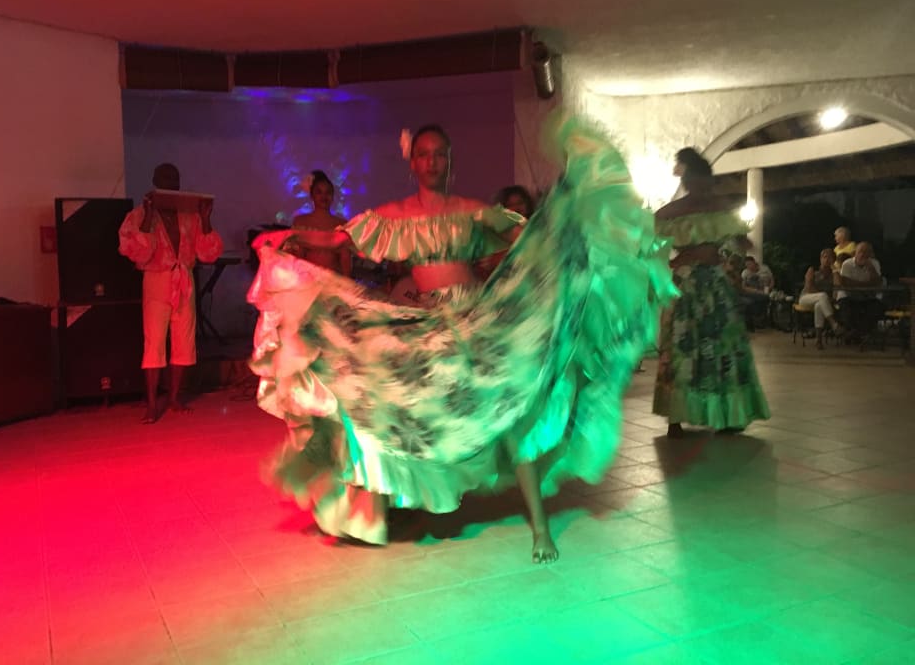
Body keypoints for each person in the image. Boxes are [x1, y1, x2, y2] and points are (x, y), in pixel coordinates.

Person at [248, 119, 676, 563]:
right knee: (383, 392)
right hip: (426, 323)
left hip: (476, 320)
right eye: (424, 155)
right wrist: (289, 236)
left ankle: (540, 526)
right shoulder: (394, 216)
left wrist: (568, 217)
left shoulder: (473, 211)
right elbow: (337, 239)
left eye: (440, 155)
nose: (432, 162)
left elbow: (533, 240)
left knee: (511, 409)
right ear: (413, 163)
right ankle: (399, 501)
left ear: (450, 163)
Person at [652, 148, 770, 438]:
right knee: (683, 346)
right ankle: (676, 416)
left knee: (722, 346)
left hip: (715, 285)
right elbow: (649, 242)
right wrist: (677, 260)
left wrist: (731, 249)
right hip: (687, 284)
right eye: (695, 182)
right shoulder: (671, 212)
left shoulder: (720, 208)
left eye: (705, 183)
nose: (700, 188)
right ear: (688, 181)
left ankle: (724, 414)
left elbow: (744, 243)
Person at [118, 163, 223, 423]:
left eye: (174, 178)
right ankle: (152, 403)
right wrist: (148, 218)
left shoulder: (190, 215)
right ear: (155, 180)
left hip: (184, 280)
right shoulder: (139, 215)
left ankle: (174, 397)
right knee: (154, 342)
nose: (170, 182)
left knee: (183, 341)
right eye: (165, 178)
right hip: (157, 280)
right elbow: (136, 252)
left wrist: (206, 218)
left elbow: (208, 253)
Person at [289, 170, 352, 277]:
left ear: (332, 196)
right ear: (312, 195)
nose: (324, 196)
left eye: (328, 192)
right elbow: (296, 258)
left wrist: (347, 283)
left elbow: (345, 259)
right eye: (319, 192)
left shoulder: (342, 224)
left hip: (333, 281)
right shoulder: (300, 221)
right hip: (307, 280)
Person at [836, 241, 883, 340]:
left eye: (866, 252)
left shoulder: (874, 263)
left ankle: (856, 333)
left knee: (876, 308)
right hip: (848, 295)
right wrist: (866, 285)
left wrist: (871, 269)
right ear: (855, 253)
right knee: (847, 309)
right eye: (860, 251)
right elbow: (845, 283)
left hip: (867, 295)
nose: (863, 255)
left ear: (870, 254)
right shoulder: (847, 264)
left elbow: (877, 283)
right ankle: (857, 333)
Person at [798, 248, 842, 348]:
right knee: (823, 296)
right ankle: (833, 323)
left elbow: (838, 286)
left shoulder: (834, 274)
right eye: (824, 257)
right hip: (806, 297)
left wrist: (834, 269)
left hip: (822, 302)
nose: (826, 260)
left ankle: (818, 340)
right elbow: (809, 288)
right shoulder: (813, 271)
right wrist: (825, 298)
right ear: (820, 259)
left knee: (819, 306)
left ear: (833, 260)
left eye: (830, 257)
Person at [739, 255, 773, 330]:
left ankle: (758, 320)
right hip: (752, 291)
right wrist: (757, 291)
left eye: (750, 264)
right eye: (747, 265)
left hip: (765, 289)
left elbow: (772, 280)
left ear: (754, 262)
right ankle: (757, 320)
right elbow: (743, 287)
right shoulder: (745, 272)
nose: (749, 267)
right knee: (761, 298)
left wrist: (769, 288)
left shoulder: (765, 268)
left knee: (757, 300)